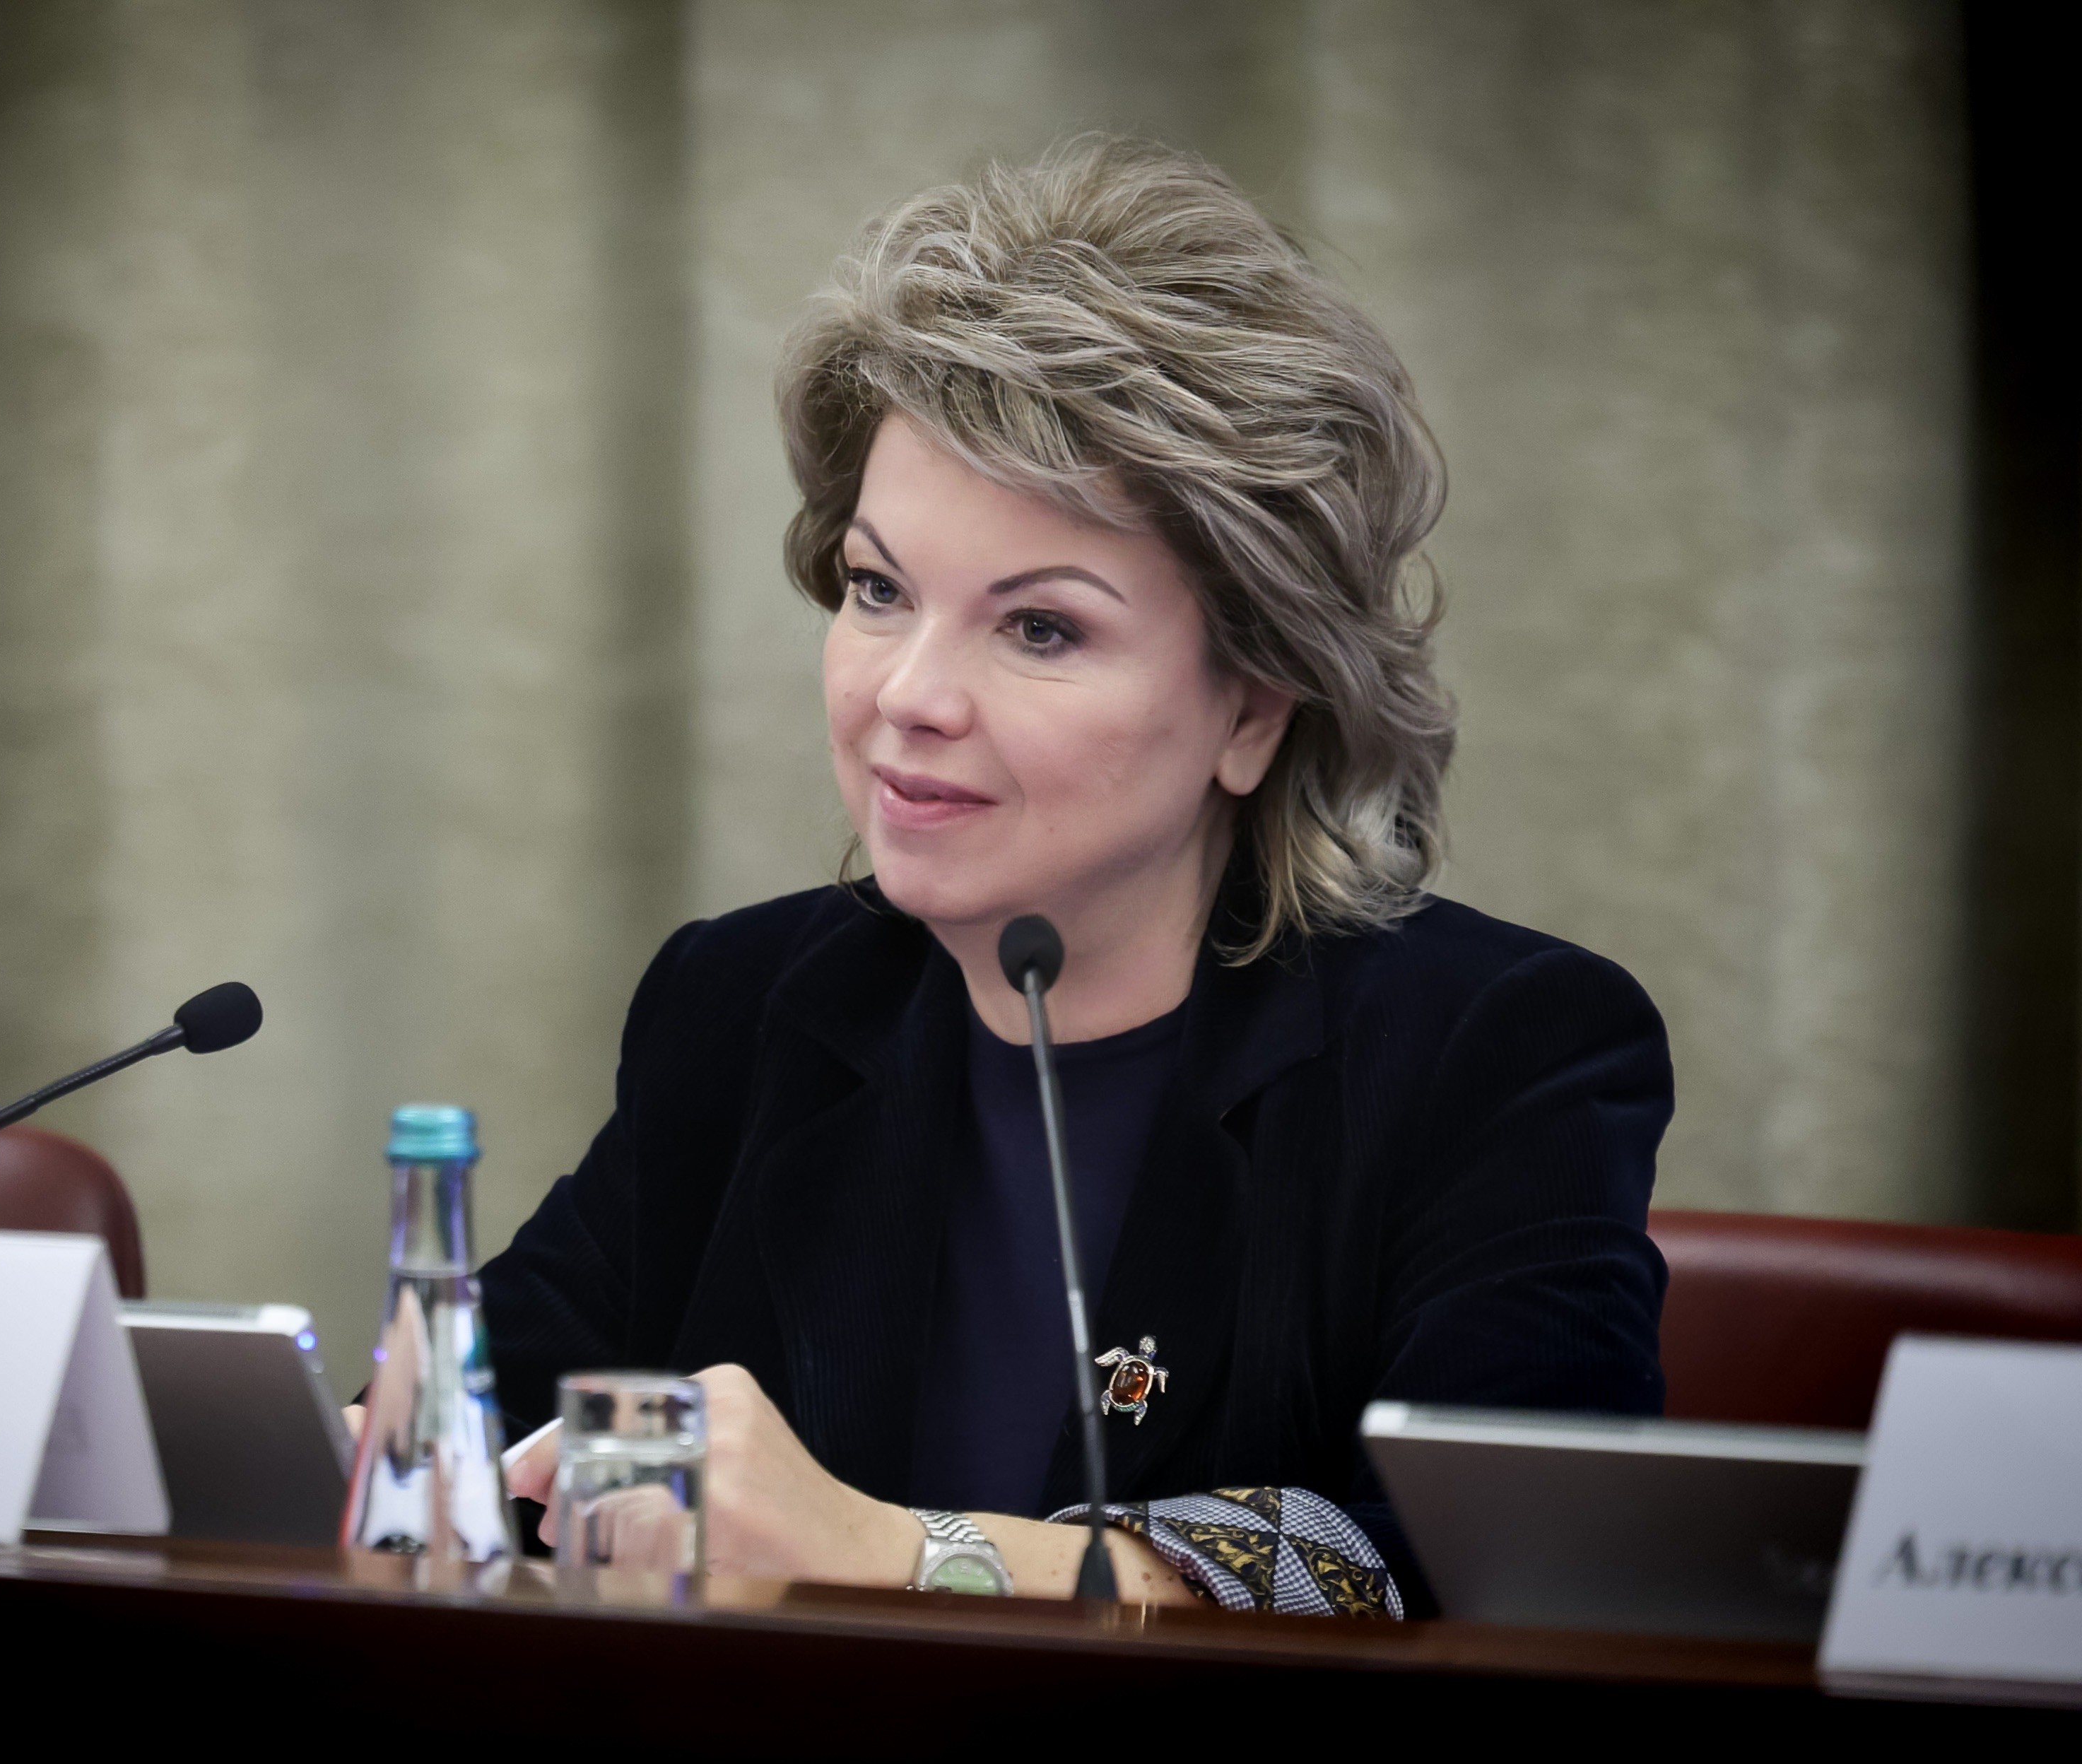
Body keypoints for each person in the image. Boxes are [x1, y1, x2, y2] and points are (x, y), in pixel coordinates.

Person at [481, 136, 1671, 1614]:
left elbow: (1488, 1562)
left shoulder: (1494, 1049)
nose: (908, 694)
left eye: (1039, 628)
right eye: (877, 590)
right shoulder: (745, 1005)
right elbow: (490, 1431)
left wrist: (904, 1558)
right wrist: (367, 1455)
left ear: (1253, 705)